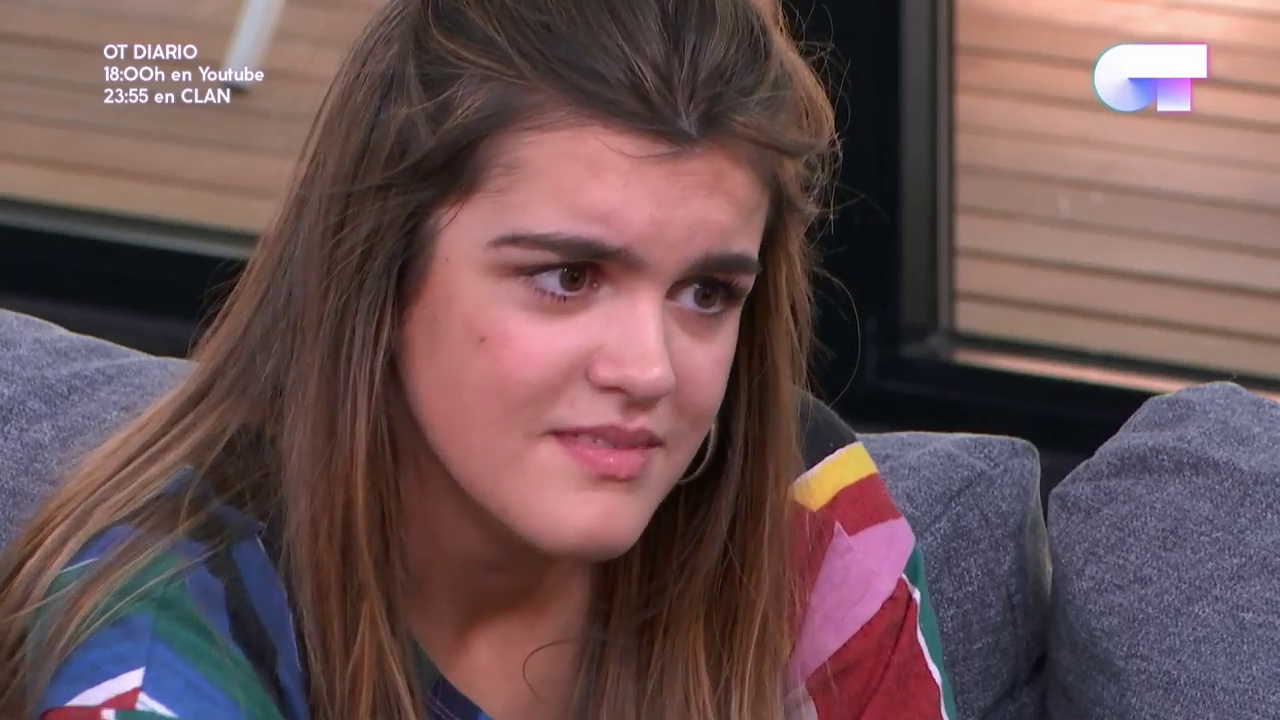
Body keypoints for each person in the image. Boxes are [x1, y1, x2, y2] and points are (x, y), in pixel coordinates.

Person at [0, 0, 957, 717]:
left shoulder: (799, 504)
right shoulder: (167, 646)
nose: (650, 371)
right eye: (568, 277)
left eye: (706, 293)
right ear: (381, 272)